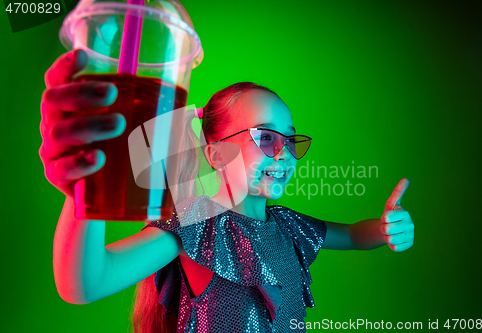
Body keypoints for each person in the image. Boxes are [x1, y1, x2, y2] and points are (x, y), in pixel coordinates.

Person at [40, 49, 415, 333]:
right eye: (266, 137)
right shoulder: (195, 223)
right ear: (216, 153)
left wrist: (383, 231)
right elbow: (87, 282)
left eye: (289, 139)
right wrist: (83, 188)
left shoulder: (288, 225)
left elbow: (351, 234)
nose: (284, 153)